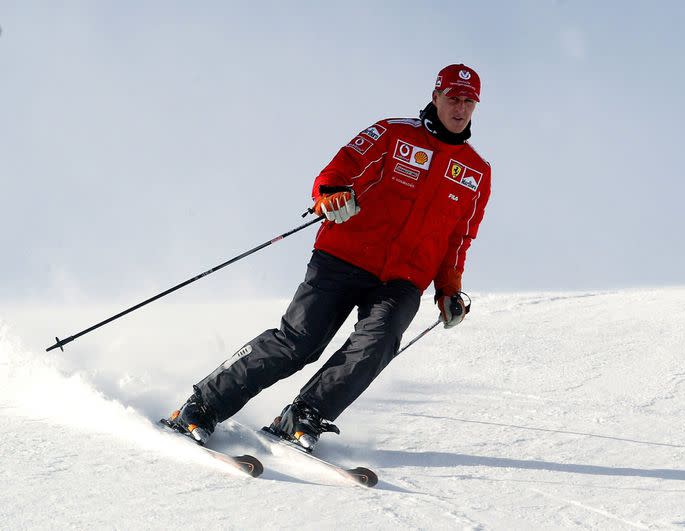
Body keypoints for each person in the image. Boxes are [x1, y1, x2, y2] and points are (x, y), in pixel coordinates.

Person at [165, 63, 492, 451]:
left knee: (378, 343)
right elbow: (344, 165)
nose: (460, 108)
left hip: (403, 280)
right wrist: (331, 191)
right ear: (436, 96)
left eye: (469, 101)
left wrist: (449, 289)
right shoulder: (393, 133)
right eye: (453, 98)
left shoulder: (476, 171)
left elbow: (459, 238)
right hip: (344, 257)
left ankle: (303, 417)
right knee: (299, 342)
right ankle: (202, 405)